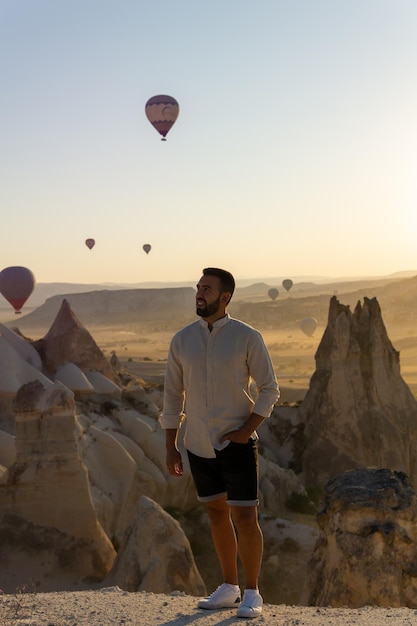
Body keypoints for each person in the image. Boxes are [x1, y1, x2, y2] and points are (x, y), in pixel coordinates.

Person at [159, 267, 279, 619]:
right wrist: (171, 446)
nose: (199, 293)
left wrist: (245, 431)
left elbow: (270, 389)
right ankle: (229, 587)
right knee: (215, 513)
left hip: (236, 444)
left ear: (225, 297)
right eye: (198, 288)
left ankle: (253, 592)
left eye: (207, 289)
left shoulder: (246, 337)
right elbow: (171, 396)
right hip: (197, 443)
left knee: (245, 516)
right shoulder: (181, 340)